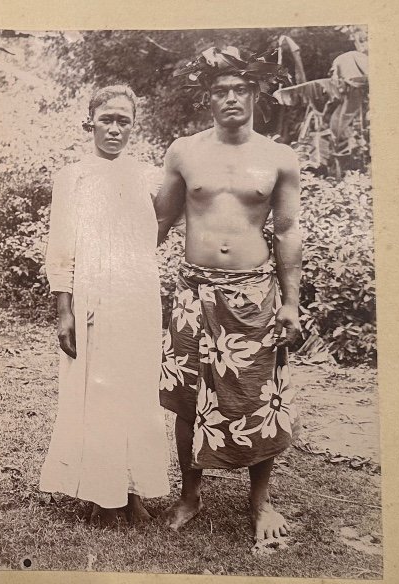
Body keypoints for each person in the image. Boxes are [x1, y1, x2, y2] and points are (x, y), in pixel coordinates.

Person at [156, 47, 303, 548]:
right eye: (220, 91)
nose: (231, 98)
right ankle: (189, 495)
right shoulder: (184, 152)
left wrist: (291, 302)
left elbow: (287, 232)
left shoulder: (279, 157)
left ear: (255, 94)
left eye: (240, 89)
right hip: (192, 293)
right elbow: (158, 222)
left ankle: (259, 503)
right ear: (208, 98)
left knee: (259, 397)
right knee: (185, 398)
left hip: (254, 293)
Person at [40, 85, 170, 528]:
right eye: (106, 119)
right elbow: (61, 245)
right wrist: (65, 309)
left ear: (134, 126)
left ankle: (134, 490)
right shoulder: (72, 176)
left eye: (123, 121)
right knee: (100, 389)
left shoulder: (149, 177)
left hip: (138, 294)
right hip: (93, 293)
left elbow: (159, 228)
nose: (114, 129)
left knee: (136, 388)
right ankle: (104, 494)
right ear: (89, 122)